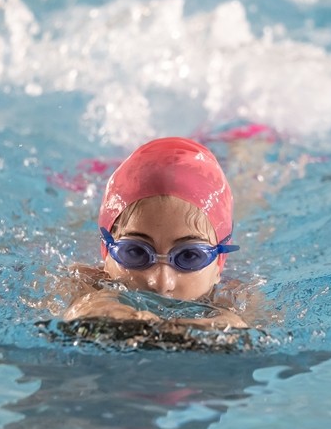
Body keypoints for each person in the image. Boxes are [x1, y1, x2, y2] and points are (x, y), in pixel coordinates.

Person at [63, 137, 249, 329]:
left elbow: (237, 328)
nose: (160, 283)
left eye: (189, 256)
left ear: (219, 263)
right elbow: (85, 312)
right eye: (136, 252)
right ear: (106, 252)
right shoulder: (85, 282)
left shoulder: (235, 296)